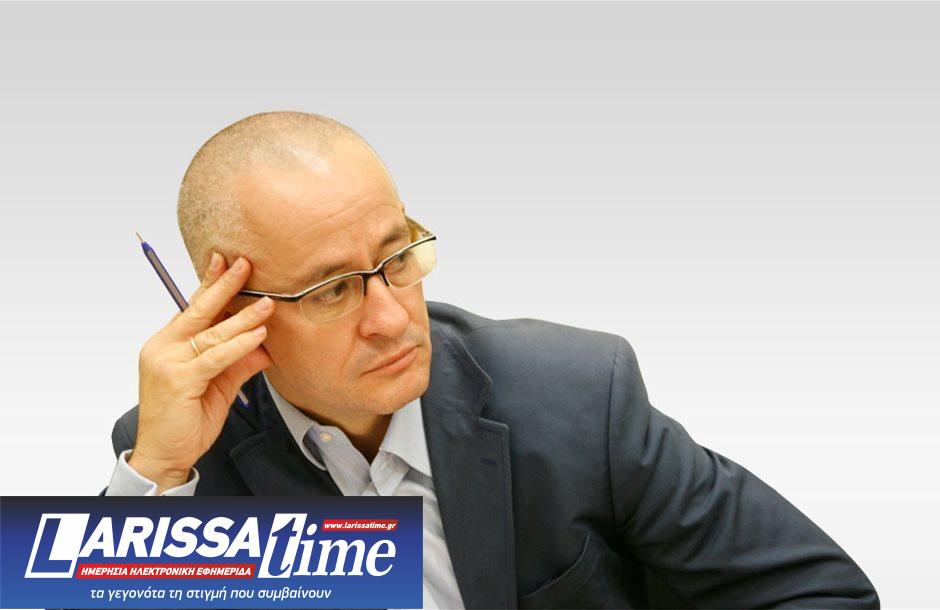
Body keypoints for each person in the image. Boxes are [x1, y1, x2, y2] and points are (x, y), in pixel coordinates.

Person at [103, 111, 879, 609]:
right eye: (334, 290)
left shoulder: (575, 394)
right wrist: (155, 475)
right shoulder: (181, 455)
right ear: (232, 313)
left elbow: (819, 592)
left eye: (396, 258)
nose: (391, 318)